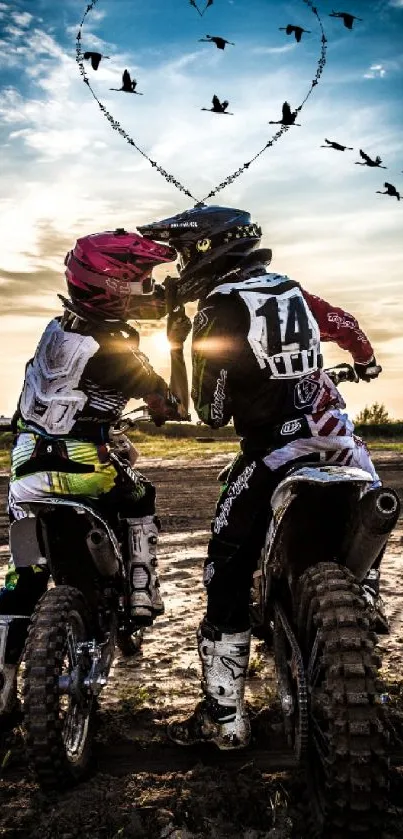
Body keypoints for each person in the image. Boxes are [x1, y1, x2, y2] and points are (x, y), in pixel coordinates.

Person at [138, 205, 384, 750]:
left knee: (225, 568)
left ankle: (225, 717)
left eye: (183, 254)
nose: (179, 268)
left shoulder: (220, 310)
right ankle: (366, 597)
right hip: (343, 445)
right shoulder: (291, 291)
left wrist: (179, 345)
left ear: (207, 252)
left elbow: (212, 411)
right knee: (370, 521)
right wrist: (363, 361)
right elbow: (343, 324)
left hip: (275, 453)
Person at [0, 228, 189, 716]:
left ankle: (2, 685)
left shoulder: (57, 331)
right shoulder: (119, 353)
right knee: (140, 496)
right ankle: (143, 589)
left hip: (26, 468)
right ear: (115, 285)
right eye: (141, 280)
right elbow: (169, 406)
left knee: (24, 575)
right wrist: (175, 345)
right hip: (83, 466)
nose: (147, 288)